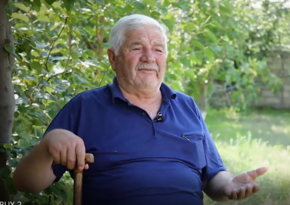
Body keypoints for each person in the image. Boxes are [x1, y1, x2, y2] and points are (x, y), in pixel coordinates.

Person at [13, 14, 268, 205]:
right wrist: (48, 144)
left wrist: (229, 185)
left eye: (158, 49)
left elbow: (212, 176)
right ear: (113, 58)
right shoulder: (86, 107)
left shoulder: (186, 105)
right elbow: (26, 183)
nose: (149, 56)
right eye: (137, 47)